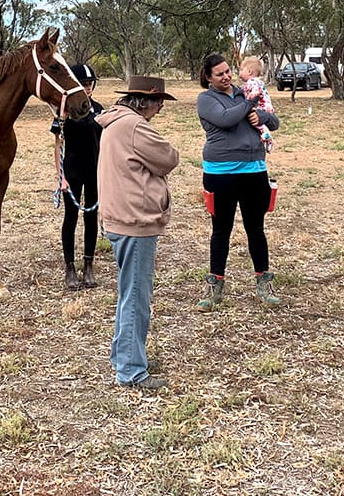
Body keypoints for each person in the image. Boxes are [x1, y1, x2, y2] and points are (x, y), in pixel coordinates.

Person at [97, 75, 180, 390]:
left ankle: (126, 356)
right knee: (136, 297)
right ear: (146, 101)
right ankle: (131, 370)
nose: (160, 109)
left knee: (128, 293)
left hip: (120, 218)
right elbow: (168, 158)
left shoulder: (115, 122)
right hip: (135, 220)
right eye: (159, 102)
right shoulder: (134, 127)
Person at [195, 53, 282, 310]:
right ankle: (215, 285)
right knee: (221, 230)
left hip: (254, 170)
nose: (226, 77)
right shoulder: (206, 99)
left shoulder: (248, 90)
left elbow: (273, 120)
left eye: (228, 71)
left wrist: (262, 117)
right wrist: (250, 102)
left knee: (256, 229)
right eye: (219, 74)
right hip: (220, 173)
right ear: (208, 77)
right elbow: (226, 119)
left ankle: (263, 281)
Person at [49, 63, 103, 290]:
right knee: (70, 219)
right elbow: (57, 145)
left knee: (91, 217)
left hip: (95, 169)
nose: (88, 88)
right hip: (72, 170)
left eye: (90, 84)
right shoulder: (64, 113)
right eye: (84, 84)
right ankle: (69, 268)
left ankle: (88, 266)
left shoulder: (99, 109)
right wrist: (61, 177)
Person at [238, 55, 275, 153]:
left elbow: (255, 91)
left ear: (249, 72)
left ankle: (267, 137)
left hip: (261, 106)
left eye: (241, 70)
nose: (240, 73)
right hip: (266, 106)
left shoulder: (252, 81)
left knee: (257, 123)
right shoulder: (258, 81)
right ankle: (266, 137)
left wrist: (250, 97)